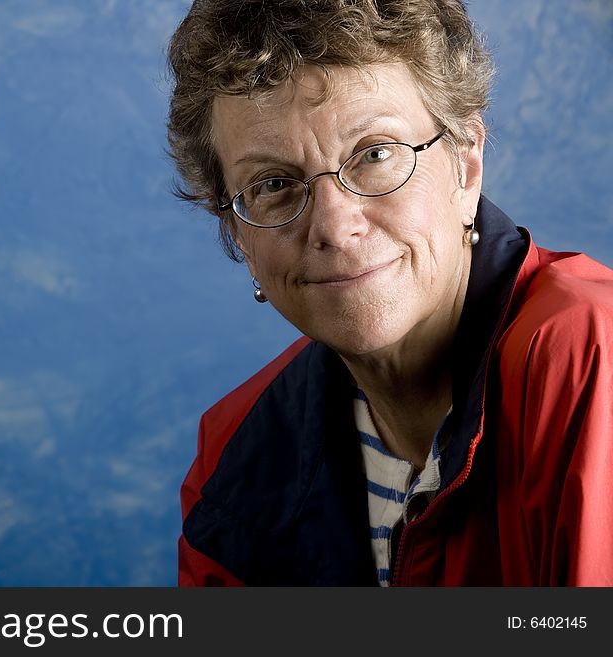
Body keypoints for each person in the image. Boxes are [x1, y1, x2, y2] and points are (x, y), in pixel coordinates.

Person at [166, 0, 613, 586]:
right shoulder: (234, 459)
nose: (333, 225)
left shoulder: (593, 361)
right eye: (273, 184)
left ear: (466, 163)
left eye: (375, 154)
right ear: (237, 232)